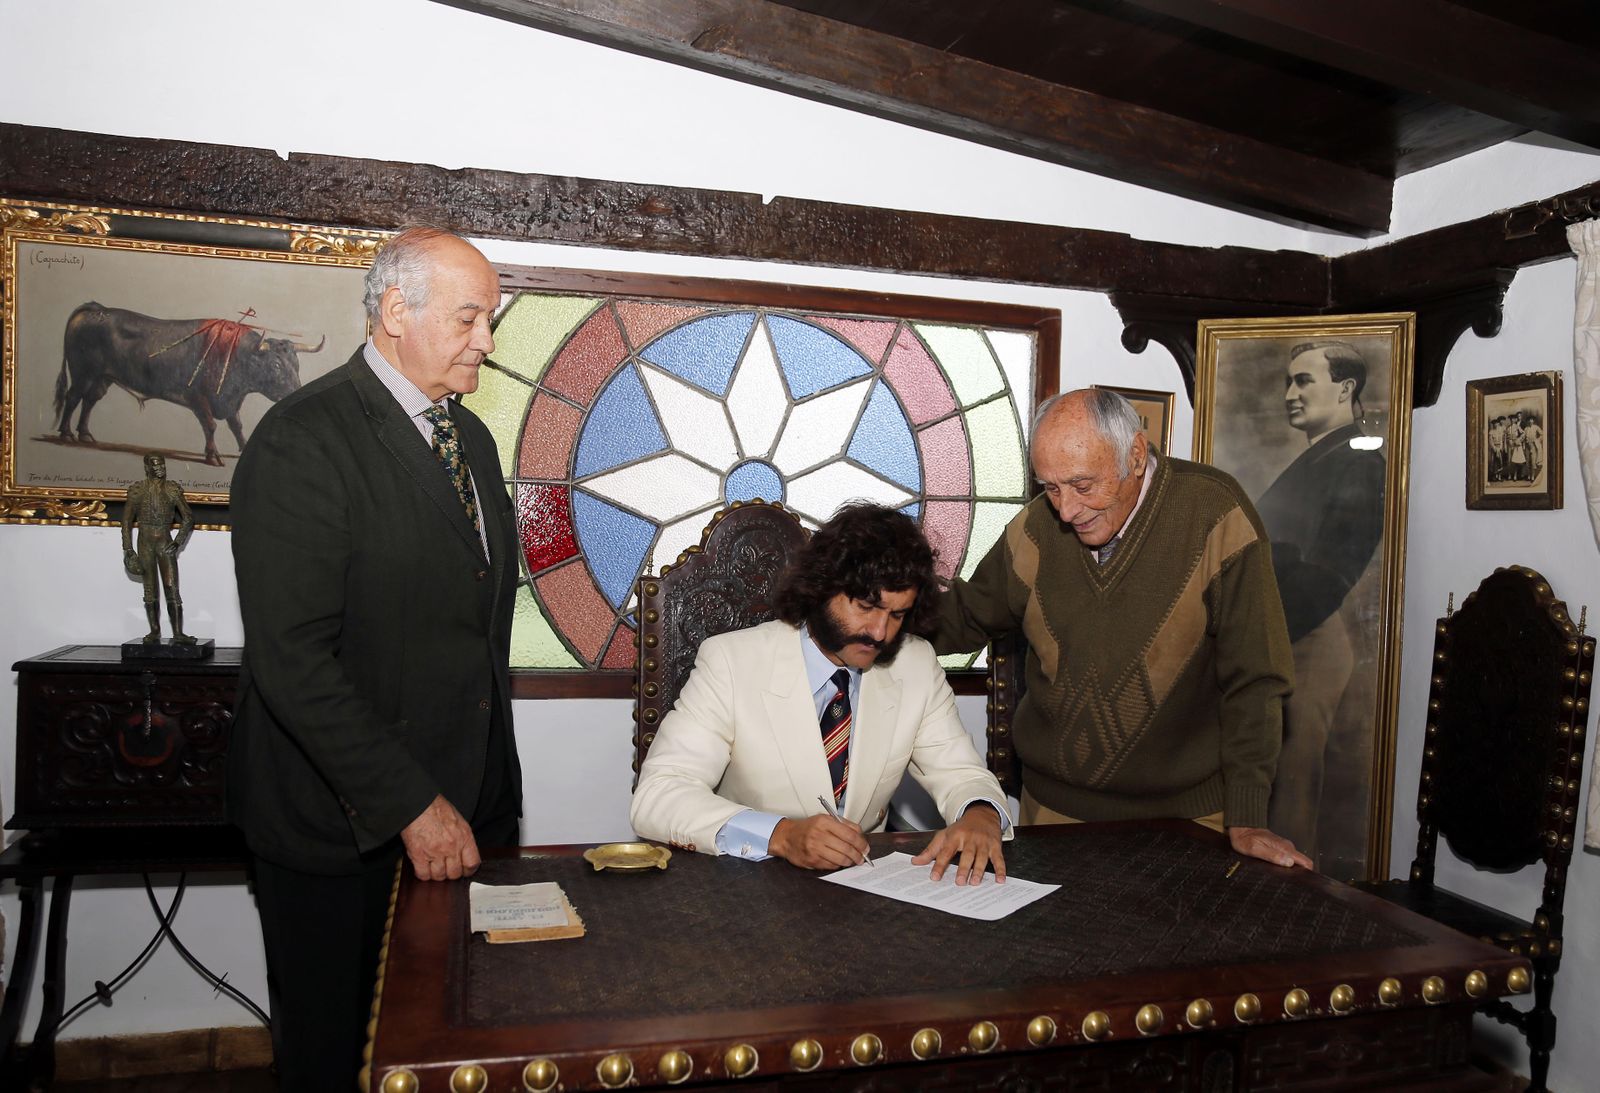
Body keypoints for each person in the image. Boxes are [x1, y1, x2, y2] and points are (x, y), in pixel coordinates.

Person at [228, 228, 522, 1092]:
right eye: (470, 318)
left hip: (463, 810)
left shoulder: (470, 440)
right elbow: (293, 662)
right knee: (338, 1057)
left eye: (490, 320)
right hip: (336, 826)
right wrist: (411, 805)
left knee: (442, 1049)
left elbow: (467, 626)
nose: (488, 342)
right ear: (397, 311)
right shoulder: (302, 440)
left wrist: (478, 794)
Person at [936, 388, 1310, 869]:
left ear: (1135, 455)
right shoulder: (1034, 530)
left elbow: (1257, 678)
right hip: (1052, 815)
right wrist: (869, 609)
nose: (1066, 510)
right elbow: (964, 617)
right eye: (1050, 487)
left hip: (1192, 821)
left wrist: (1248, 813)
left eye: (1083, 486)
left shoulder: (1216, 515)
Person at [631, 503, 1012, 884]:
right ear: (821, 589)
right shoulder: (731, 661)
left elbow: (960, 772)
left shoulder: (914, 663)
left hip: (867, 889)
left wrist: (980, 813)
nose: (880, 632)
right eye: (866, 607)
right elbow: (659, 796)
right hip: (750, 885)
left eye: (897, 615)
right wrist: (781, 835)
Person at [1254, 341, 1385, 857]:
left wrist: (1264, 628)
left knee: (1293, 779)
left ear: (1346, 387)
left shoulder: (1359, 463)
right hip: (1289, 630)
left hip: (1313, 633)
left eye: (1303, 381)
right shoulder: (1322, 457)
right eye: (1289, 382)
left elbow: (1330, 574)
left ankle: (1289, 901)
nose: (1291, 394)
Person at [121, 452, 196, 644]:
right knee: (150, 589)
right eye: (155, 465)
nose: (160, 468)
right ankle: (154, 631)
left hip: (165, 541)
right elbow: (127, 521)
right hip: (145, 542)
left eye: (162, 464)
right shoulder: (137, 490)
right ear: (147, 467)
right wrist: (128, 550)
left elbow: (188, 517)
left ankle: (178, 633)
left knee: (171, 587)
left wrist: (178, 541)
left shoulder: (172, 490)